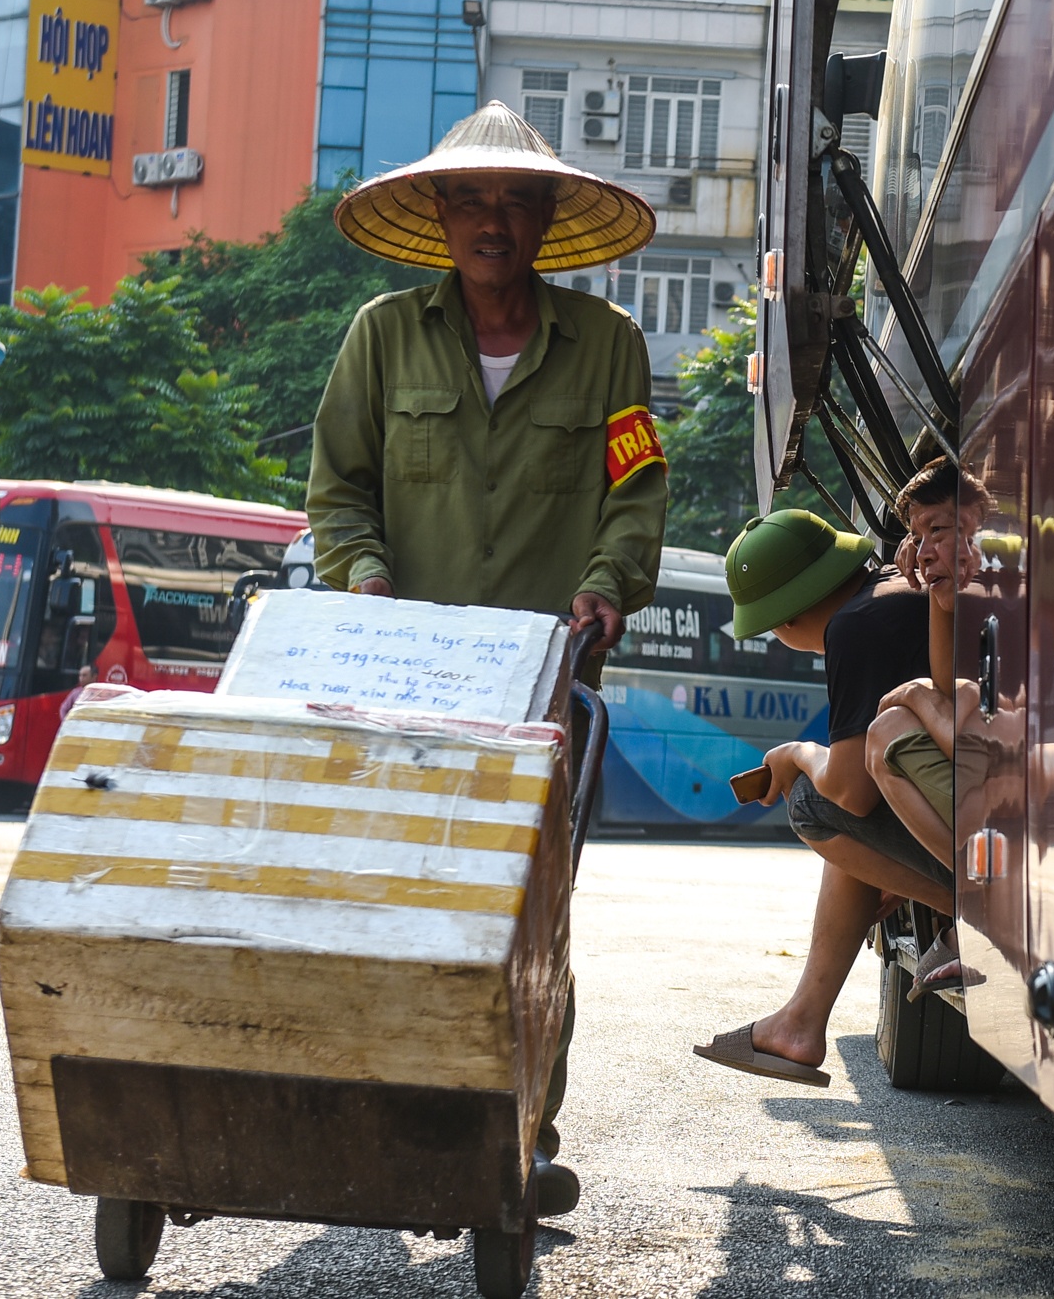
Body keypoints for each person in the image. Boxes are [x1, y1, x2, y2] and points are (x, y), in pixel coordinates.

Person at [306, 100, 667, 1216]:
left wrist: (605, 588)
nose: (494, 221)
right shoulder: (380, 335)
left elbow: (638, 492)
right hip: (404, 684)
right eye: (474, 200)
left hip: (545, 690)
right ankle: (380, 1118)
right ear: (441, 213)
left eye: (517, 201)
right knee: (385, 903)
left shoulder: (609, 346)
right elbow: (338, 494)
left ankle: (521, 1133)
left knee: (528, 917)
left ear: (549, 218)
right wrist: (363, 578)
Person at [692, 509, 950, 1086]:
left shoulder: (856, 625)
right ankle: (800, 1023)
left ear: (785, 619)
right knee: (840, 818)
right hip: (986, 805)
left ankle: (975, 916)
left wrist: (795, 754)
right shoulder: (893, 586)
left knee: (812, 801)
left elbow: (851, 795)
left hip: (984, 843)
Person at [865, 459, 988, 994]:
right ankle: (979, 903)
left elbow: (974, 743)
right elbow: (949, 683)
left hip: (1041, 806)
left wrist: (915, 693)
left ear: (981, 526)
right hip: (1008, 800)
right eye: (916, 537)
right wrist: (935, 591)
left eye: (938, 528)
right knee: (889, 728)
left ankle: (985, 908)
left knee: (887, 732)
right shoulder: (966, 592)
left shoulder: (1012, 588)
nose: (924, 550)